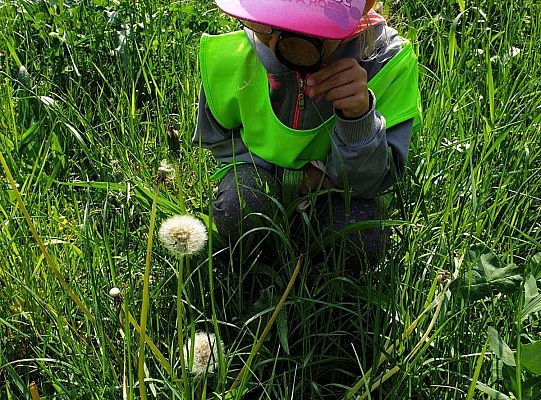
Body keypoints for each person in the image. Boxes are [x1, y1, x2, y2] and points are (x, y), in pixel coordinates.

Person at [193, 0, 421, 268]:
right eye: (267, 22)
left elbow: (374, 182)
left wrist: (358, 118)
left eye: (311, 29)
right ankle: (262, 272)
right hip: (259, 171)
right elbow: (219, 138)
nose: (281, 43)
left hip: (338, 190)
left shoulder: (387, 63)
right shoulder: (235, 54)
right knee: (239, 210)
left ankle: (320, 280)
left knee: (361, 238)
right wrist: (275, 176)